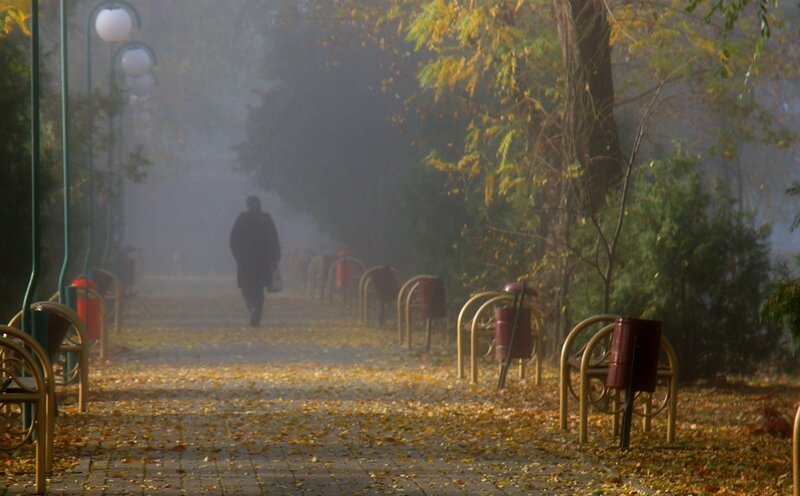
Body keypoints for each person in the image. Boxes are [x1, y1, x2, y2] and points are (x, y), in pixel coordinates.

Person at [230, 195, 281, 327]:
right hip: (263, 260)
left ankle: (252, 307)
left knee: (246, 286)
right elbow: (274, 239)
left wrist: (237, 254)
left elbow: (233, 238)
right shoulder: (266, 219)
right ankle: (257, 308)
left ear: (247, 205)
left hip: (245, 259)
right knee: (259, 287)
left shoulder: (242, 219)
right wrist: (275, 257)